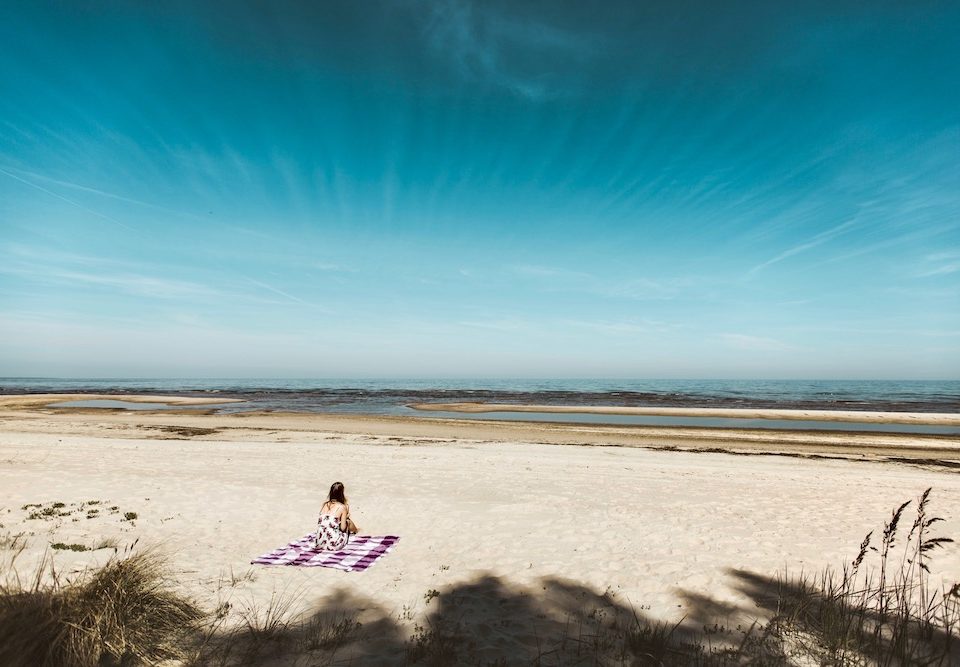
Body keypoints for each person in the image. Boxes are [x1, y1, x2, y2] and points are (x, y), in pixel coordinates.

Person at [315, 481, 359, 551]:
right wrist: (346, 516)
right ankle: (356, 530)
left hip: (319, 543)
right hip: (334, 544)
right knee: (348, 521)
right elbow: (343, 528)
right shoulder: (342, 507)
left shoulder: (325, 504)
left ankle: (356, 530)